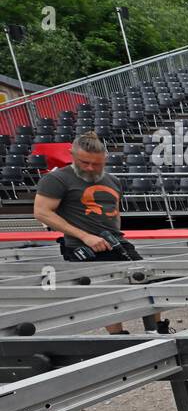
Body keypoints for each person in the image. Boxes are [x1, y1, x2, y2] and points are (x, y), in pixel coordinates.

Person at [33, 131, 139, 334]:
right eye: (84, 162)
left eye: (96, 164)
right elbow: (42, 212)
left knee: (145, 278)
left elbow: (115, 212)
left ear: (105, 159)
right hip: (83, 246)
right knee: (106, 294)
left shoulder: (113, 180)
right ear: (72, 154)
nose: (90, 168)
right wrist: (84, 236)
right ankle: (118, 337)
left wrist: (116, 233)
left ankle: (156, 330)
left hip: (116, 241)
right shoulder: (57, 179)